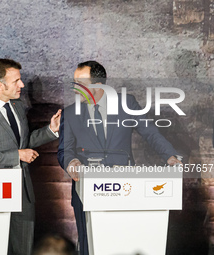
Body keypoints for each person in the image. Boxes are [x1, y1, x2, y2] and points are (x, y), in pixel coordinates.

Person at [57, 61, 181, 255]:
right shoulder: (70, 113)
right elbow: (65, 150)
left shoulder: (127, 103)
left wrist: (171, 156)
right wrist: (72, 163)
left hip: (126, 189)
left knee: (124, 240)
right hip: (86, 190)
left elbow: (150, 133)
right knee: (89, 244)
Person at [0, 58, 62, 255]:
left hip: (23, 192)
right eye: (16, 81)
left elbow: (23, 142)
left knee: (23, 248)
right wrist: (17, 156)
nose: (22, 85)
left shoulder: (18, 107)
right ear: (0, 86)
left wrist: (50, 131)